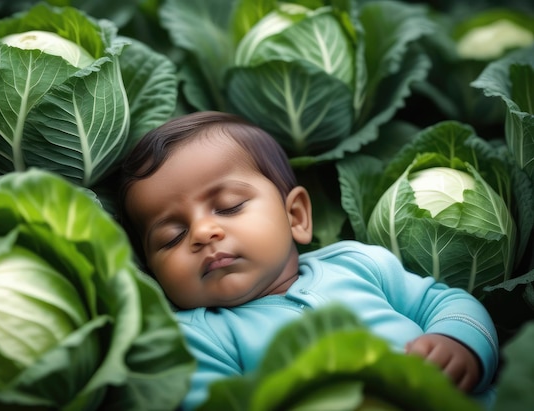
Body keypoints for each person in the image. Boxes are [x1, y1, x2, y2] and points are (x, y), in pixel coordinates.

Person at [116, 111, 498, 410]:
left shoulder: (357, 262)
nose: (202, 233)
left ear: (296, 216)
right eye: (172, 237)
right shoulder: (196, 339)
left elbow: (447, 302)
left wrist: (458, 342)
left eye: (229, 207)